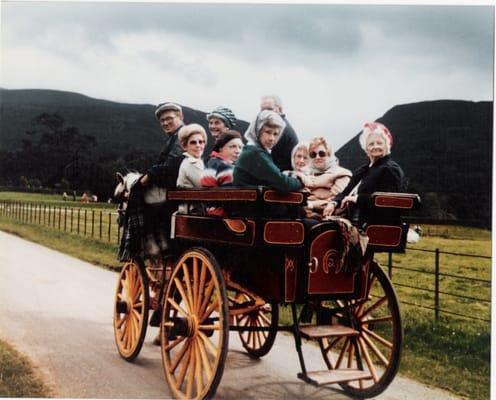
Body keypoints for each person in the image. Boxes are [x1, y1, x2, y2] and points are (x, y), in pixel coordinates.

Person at [323, 122, 405, 226]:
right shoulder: (362, 170)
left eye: (379, 143)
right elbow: (345, 192)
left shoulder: (390, 169)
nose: (375, 146)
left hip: (374, 223)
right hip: (353, 218)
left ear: (387, 145)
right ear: (366, 148)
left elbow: (387, 200)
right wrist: (333, 203)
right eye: (371, 144)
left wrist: (356, 198)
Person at [234, 109, 303, 193]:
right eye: (268, 132)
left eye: (275, 134)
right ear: (258, 131)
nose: (272, 138)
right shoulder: (255, 153)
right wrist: (302, 180)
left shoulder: (254, 150)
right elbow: (284, 183)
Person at [300, 137, 352, 219]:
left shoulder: (341, 173)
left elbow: (337, 199)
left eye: (321, 153)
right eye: (313, 155)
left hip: (327, 217)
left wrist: (311, 204)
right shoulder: (305, 173)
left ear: (329, 154)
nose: (317, 157)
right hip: (303, 212)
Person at [253, 95, 298, 171]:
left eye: (269, 109)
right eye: (262, 109)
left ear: (279, 109)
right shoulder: (275, 125)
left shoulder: (281, 129)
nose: (264, 112)